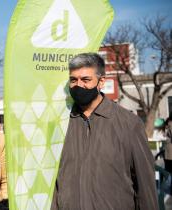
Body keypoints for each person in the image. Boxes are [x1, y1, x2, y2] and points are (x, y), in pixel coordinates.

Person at [51, 53, 158, 210]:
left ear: (101, 82)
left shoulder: (129, 124)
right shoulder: (61, 124)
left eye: (86, 80)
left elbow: (145, 187)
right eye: (73, 80)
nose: (78, 85)